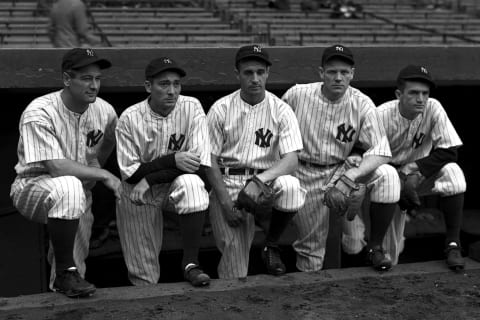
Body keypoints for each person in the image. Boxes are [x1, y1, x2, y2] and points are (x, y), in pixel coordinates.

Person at [10, 48, 121, 298]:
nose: (94, 85)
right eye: (86, 78)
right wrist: (101, 174)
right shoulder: (39, 111)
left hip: (76, 192)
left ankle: (65, 285)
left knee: (75, 269)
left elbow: (106, 146)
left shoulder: (105, 111)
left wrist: (93, 170)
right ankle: (64, 272)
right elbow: (56, 168)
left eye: (97, 79)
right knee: (69, 185)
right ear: (67, 79)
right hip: (32, 186)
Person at [281, 44, 401, 272]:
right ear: (321, 73)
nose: (338, 78)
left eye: (344, 73)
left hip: (341, 169)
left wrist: (351, 176)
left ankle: (374, 247)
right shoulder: (297, 94)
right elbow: (278, 134)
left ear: (352, 74)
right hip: (304, 172)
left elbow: (381, 149)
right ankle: (311, 298)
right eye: (332, 72)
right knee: (311, 251)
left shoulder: (362, 102)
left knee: (387, 175)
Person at [206, 44, 306, 279]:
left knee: (291, 186)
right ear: (237, 74)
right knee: (234, 266)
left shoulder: (281, 109)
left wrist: (260, 181)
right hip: (230, 182)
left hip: (266, 181)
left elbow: (291, 160)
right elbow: (208, 159)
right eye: (248, 72)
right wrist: (225, 204)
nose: (255, 78)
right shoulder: (221, 109)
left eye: (260, 72)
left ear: (268, 73)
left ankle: (271, 244)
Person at [115, 57, 211, 287]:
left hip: (169, 185)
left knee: (192, 184)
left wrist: (151, 177)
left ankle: (191, 264)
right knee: (143, 275)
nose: (172, 91)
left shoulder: (192, 106)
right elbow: (131, 173)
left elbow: (199, 166)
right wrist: (173, 160)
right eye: (164, 84)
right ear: (149, 86)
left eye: (176, 84)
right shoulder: (129, 117)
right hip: (137, 192)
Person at [361, 65, 466, 270]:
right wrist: (402, 177)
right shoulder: (380, 114)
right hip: (382, 177)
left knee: (453, 171)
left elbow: (450, 150)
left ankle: (453, 244)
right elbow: (372, 156)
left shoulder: (433, 107)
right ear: (399, 94)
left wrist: (414, 170)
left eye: (425, 93)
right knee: (387, 251)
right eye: (414, 93)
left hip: (417, 176)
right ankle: (374, 248)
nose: (421, 99)